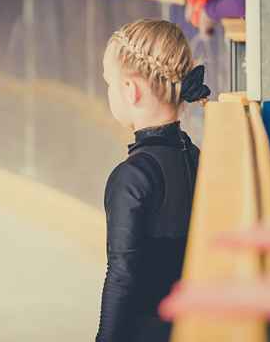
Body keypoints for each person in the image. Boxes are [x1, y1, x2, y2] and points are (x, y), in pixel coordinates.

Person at [96, 19, 211, 342]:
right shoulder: (195, 155)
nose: (109, 92)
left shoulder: (132, 177)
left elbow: (122, 275)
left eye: (109, 83)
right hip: (191, 326)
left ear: (130, 90)